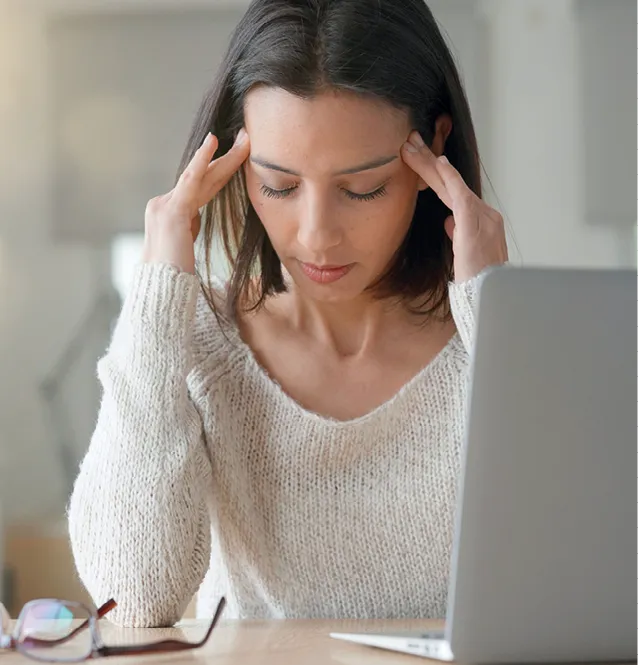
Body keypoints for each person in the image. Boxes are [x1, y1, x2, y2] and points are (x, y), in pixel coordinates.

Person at [68, 0, 508, 627]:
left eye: (363, 189)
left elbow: (572, 579)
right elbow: (134, 596)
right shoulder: (197, 342)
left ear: (434, 147)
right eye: (278, 185)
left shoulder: (491, 339)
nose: (317, 235)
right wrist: (160, 288)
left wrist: (497, 313)